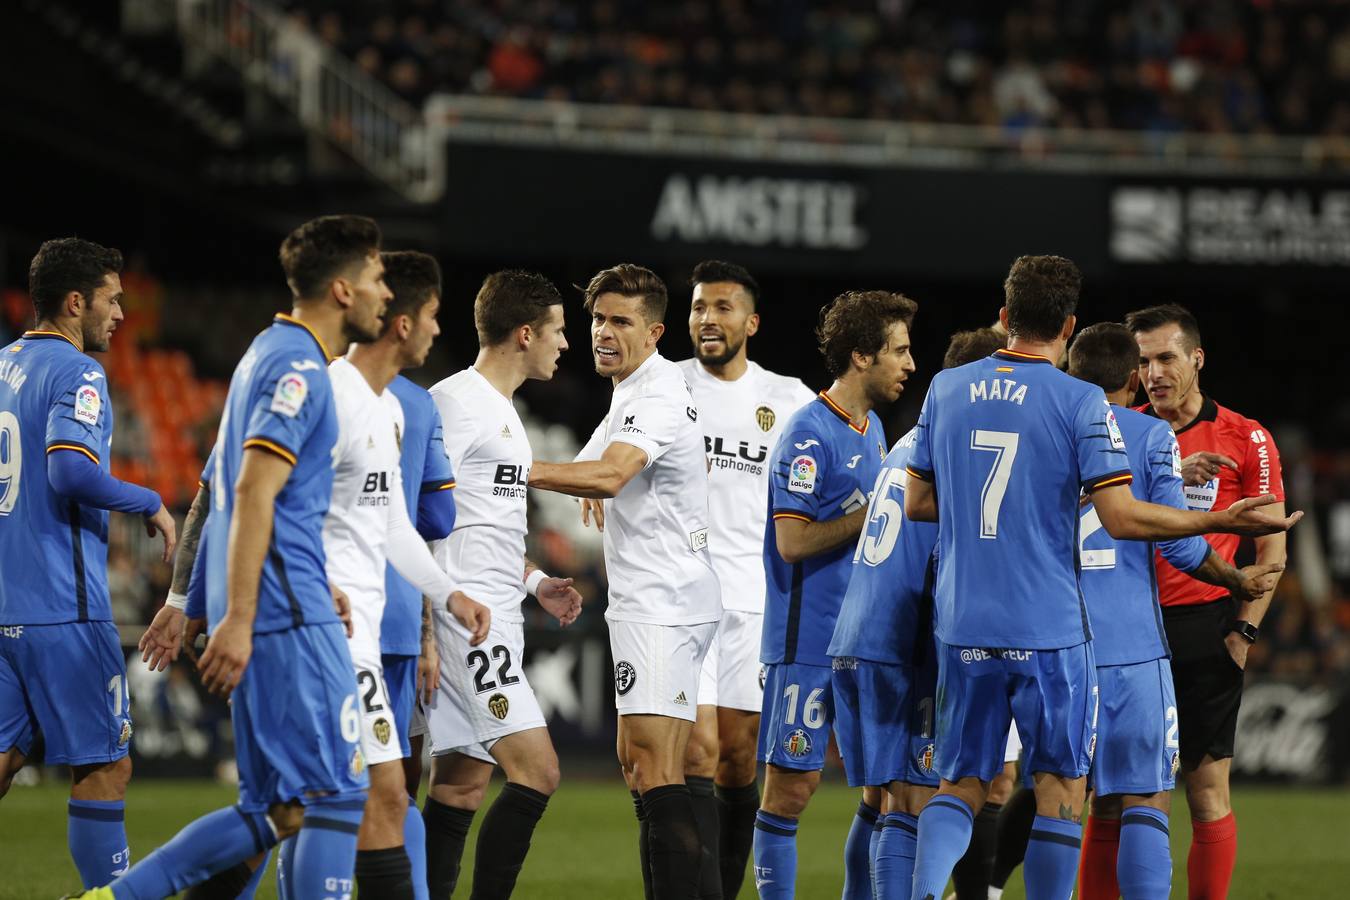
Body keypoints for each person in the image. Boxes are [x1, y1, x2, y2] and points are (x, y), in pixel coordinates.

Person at [902, 255, 1299, 900]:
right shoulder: (1095, 411)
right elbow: (1122, 519)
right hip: (1075, 634)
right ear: (1067, 323)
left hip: (966, 623)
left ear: (1004, 317)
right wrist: (1222, 538)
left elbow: (919, 503)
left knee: (963, 783)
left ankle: (921, 893)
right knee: (1096, 790)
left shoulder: (947, 389)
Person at [74, 214, 393, 899]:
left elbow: (228, 491)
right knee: (335, 793)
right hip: (283, 614)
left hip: (288, 599)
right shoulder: (298, 365)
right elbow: (249, 490)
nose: (384, 293)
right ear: (342, 289)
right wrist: (242, 616)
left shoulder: (266, 353)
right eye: (376, 277)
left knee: (276, 808)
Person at [1070, 322, 1283, 899]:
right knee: (1111, 796)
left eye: (1166, 358)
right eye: (1143, 362)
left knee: (1206, 791)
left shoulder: (1247, 437)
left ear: (1197, 358)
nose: (1154, 373)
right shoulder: (1122, 428)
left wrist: (1243, 630)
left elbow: (1274, 549)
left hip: (1201, 628)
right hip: (1126, 628)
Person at [529, 263, 721, 900]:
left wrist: (508, 465)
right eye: (597, 319)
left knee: (653, 767)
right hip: (658, 599)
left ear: (656, 330)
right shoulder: (634, 392)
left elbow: (607, 476)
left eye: (620, 321)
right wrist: (583, 477)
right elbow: (589, 468)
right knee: (645, 770)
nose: (602, 333)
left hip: (663, 602)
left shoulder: (658, 395)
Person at [300, 267, 491, 900]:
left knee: (370, 795)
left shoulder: (386, 409)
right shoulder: (328, 395)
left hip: (361, 640)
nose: (440, 329)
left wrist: (447, 593)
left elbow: (390, 521)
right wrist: (311, 582)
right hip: (319, 633)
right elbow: (268, 503)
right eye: (434, 315)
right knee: (324, 800)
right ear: (404, 323)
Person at [0, 238, 176, 888]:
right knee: (104, 767)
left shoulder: (2, 365)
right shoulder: (78, 372)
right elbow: (70, 471)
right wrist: (152, 500)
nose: (121, 314)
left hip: (4, 607)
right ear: (75, 302)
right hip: (62, 609)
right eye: (113, 299)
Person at [420, 269, 582, 899]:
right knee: (538, 771)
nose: (565, 344)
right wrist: (427, 625)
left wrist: (535, 580)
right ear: (524, 334)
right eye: (558, 331)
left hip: (494, 613)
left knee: (460, 782)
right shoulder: (456, 404)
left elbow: (480, 528)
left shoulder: (503, 412)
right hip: (465, 621)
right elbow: (417, 517)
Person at [751, 291, 916, 900]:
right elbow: (792, 542)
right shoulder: (808, 435)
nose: (909, 363)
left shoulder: (871, 428)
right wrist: (872, 515)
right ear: (860, 356)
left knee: (881, 789)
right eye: (898, 351)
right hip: (807, 642)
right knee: (791, 790)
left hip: (862, 639)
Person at [677, 260, 814, 900]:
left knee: (739, 756)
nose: (708, 318)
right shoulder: (658, 387)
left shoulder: (788, 399)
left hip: (759, 602)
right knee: (697, 752)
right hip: (681, 598)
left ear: (750, 322)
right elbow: (607, 457)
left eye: (723, 308)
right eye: (700, 306)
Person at [372, 250, 459, 900]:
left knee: (341, 795)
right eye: (431, 315)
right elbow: (436, 515)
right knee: (384, 788)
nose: (437, 330)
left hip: (351, 624)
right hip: (384, 626)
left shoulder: (306, 381)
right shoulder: (414, 405)